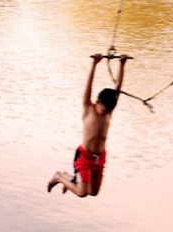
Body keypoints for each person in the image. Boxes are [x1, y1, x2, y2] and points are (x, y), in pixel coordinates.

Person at [47, 53, 128, 198]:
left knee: (93, 192)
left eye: (109, 109)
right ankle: (59, 177)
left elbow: (118, 89)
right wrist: (94, 64)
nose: (106, 112)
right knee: (82, 192)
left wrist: (122, 65)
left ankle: (69, 178)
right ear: (97, 103)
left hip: (99, 158)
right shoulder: (88, 108)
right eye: (104, 109)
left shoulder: (109, 111)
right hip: (84, 156)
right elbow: (88, 86)